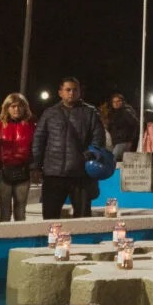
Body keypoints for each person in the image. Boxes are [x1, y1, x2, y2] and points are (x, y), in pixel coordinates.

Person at [31, 77, 105, 219]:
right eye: (68, 90)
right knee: (50, 218)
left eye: (75, 90)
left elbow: (98, 139)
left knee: (83, 218)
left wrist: (87, 156)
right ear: (60, 92)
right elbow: (38, 140)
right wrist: (35, 166)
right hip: (53, 174)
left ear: (80, 92)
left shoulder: (90, 112)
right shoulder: (49, 113)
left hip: (80, 174)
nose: (71, 93)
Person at [0, 93, 36, 222]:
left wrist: (34, 167)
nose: (17, 109)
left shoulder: (32, 127)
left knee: (20, 210)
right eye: (13, 106)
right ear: (7, 108)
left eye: (20, 106)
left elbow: (37, 149)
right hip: (1, 172)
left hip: (23, 171)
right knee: (5, 211)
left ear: (25, 108)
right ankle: (4, 235)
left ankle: (20, 235)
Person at [103, 92, 139, 161]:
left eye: (118, 101)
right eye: (114, 102)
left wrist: (130, 137)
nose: (116, 103)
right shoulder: (112, 114)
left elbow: (135, 124)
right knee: (115, 160)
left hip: (124, 141)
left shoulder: (126, 112)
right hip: (115, 142)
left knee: (113, 159)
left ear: (122, 102)